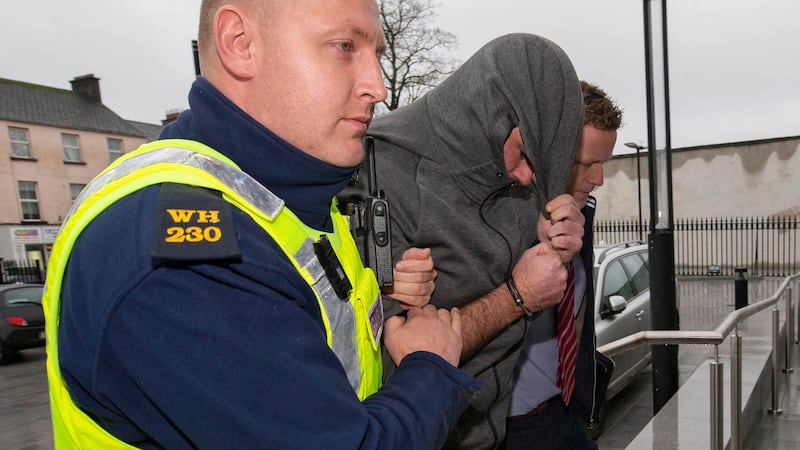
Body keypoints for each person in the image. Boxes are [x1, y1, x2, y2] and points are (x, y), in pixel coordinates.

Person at [41, 1, 479, 448]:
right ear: (239, 43)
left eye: (377, 54)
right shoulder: (181, 260)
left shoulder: (280, 200)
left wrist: (386, 304)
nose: (378, 87)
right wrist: (429, 367)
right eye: (344, 46)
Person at [366, 33, 586, 449]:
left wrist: (551, 247)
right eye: (524, 153)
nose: (526, 178)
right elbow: (400, 358)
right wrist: (517, 296)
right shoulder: (381, 169)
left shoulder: (517, 176)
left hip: (496, 432)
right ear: (489, 110)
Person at [504, 80, 623, 449]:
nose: (599, 179)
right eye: (587, 163)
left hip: (563, 412)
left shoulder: (581, 214)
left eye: (603, 163)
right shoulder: (499, 221)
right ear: (550, 151)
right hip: (511, 427)